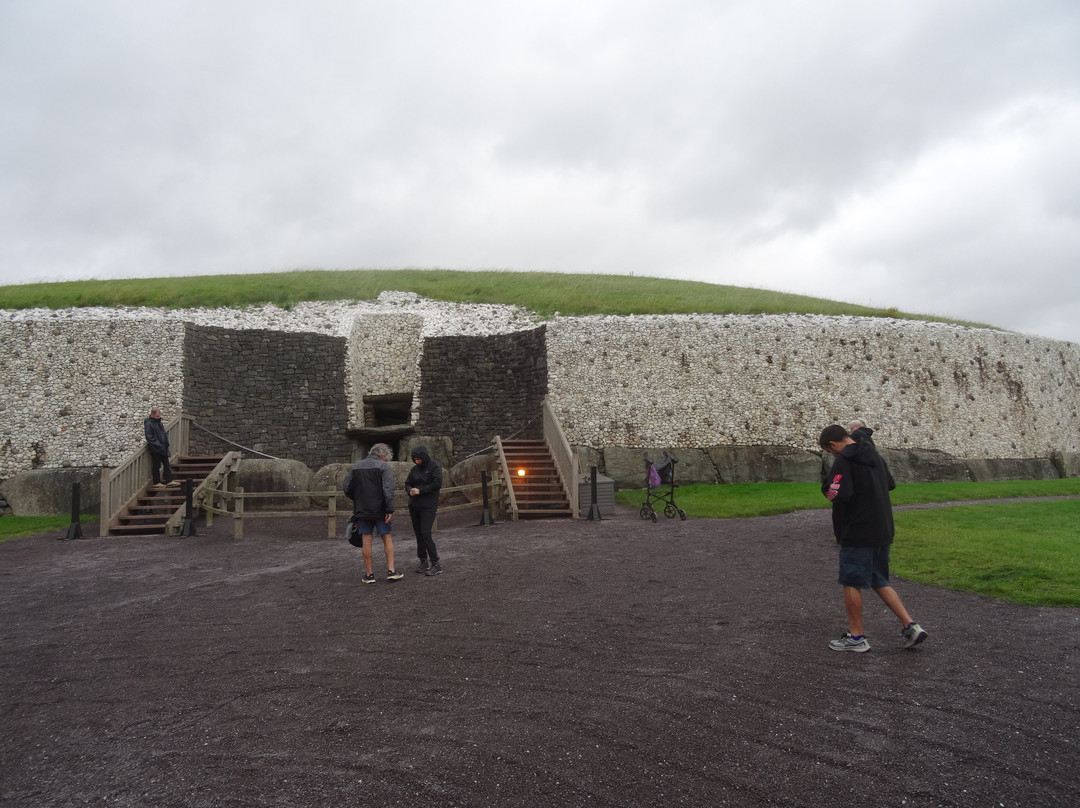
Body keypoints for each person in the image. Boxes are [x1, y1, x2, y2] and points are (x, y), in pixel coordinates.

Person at [819, 424, 928, 652]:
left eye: (830, 451)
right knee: (878, 579)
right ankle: (911, 626)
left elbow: (839, 493)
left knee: (851, 582)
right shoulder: (874, 455)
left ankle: (857, 638)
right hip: (882, 529)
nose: (832, 455)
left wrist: (826, 486)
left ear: (833, 445)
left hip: (858, 531)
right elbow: (890, 484)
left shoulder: (844, 461)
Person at [343, 443, 402, 584]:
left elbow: (346, 487)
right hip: (381, 510)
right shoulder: (383, 467)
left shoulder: (356, 466)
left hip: (362, 510)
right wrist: (389, 509)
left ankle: (369, 575)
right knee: (386, 537)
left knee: (366, 540)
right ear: (382, 456)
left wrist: (358, 499)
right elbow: (388, 490)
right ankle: (391, 571)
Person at [406, 445, 443, 576]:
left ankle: (435, 563)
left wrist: (420, 491)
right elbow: (408, 483)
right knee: (418, 534)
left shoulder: (435, 467)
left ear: (424, 457)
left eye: (419, 459)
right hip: (415, 506)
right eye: (414, 459)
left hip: (428, 505)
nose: (417, 461)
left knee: (425, 532)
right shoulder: (414, 470)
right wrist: (409, 490)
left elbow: (437, 484)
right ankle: (423, 561)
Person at [143, 408, 178, 487]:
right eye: (157, 416)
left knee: (166, 464)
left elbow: (163, 434)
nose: (158, 417)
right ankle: (156, 482)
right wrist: (158, 444)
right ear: (152, 415)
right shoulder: (149, 424)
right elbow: (149, 437)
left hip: (163, 447)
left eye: (159, 416)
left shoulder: (159, 423)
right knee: (156, 465)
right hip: (156, 448)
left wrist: (165, 444)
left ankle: (169, 480)